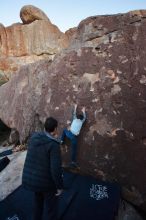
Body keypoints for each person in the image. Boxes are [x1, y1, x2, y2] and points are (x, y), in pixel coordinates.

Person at [22, 117, 63, 220]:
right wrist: (59, 186)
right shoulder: (54, 145)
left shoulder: (34, 137)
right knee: (51, 209)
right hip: (46, 183)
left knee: (38, 204)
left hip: (32, 179)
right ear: (55, 129)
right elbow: (55, 169)